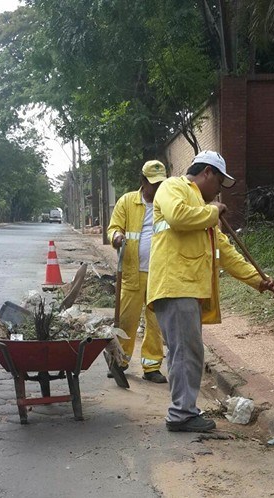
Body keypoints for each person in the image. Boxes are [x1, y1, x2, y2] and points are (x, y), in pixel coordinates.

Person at [147, 150, 274, 432]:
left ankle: (184, 410)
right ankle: (181, 414)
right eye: (219, 183)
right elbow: (177, 216)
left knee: (189, 351)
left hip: (186, 289)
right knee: (185, 352)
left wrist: (258, 279)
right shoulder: (174, 188)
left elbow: (226, 253)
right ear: (207, 173)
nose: (219, 191)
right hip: (174, 285)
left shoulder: (202, 212)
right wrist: (212, 211)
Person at [107, 160, 168, 383]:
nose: (157, 188)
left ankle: (152, 366)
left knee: (155, 321)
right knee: (126, 320)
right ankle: (119, 361)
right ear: (142, 181)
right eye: (153, 183)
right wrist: (115, 237)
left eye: (161, 183)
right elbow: (113, 228)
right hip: (132, 272)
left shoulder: (167, 203)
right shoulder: (127, 201)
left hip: (159, 273)